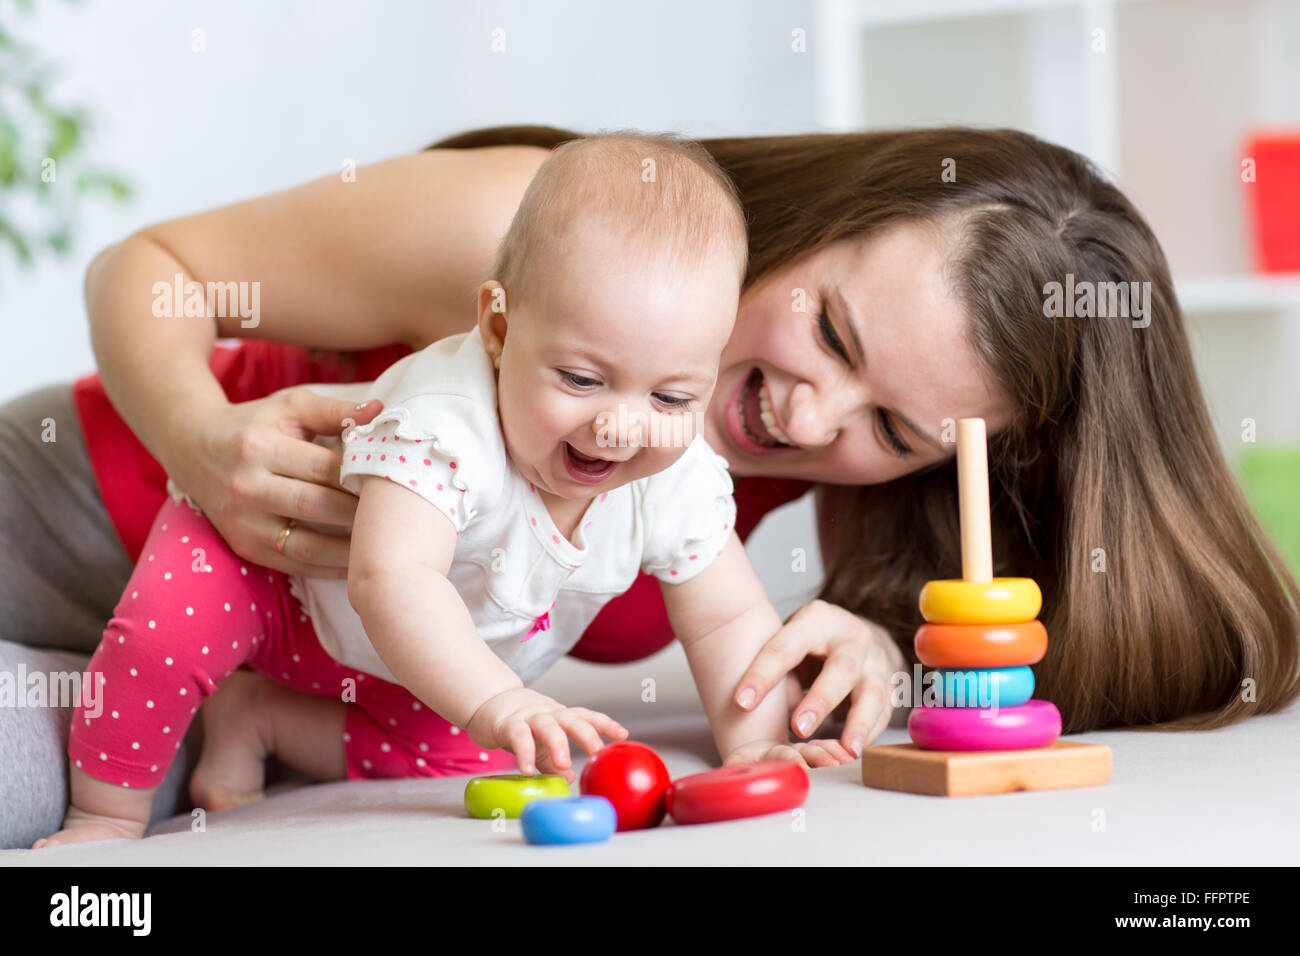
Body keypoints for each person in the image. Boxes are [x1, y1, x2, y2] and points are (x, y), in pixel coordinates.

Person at [3, 124, 1297, 850]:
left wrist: (868, 654)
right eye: (833, 336)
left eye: (891, 424)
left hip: (287, 655)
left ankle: (240, 724)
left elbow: (742, 630)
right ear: (821, 219)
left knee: (90, 777)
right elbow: (153, 267)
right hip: (72, 519)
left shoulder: (702, 452)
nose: (808, 414)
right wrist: (204, 445)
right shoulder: (535, 234)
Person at [34, 132, 836, 848]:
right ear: (497, 328)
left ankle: (262, 717)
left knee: (486, 756)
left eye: (670, 397)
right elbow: (394, 580)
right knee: (159, 640)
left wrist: (756, 747)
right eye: (582, 379)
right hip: (274, 572)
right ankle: (105, 817)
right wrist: (498, 698)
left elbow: (728, 618)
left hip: (407, 657)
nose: (620, 428)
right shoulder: (447, 423)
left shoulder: (676, 472)